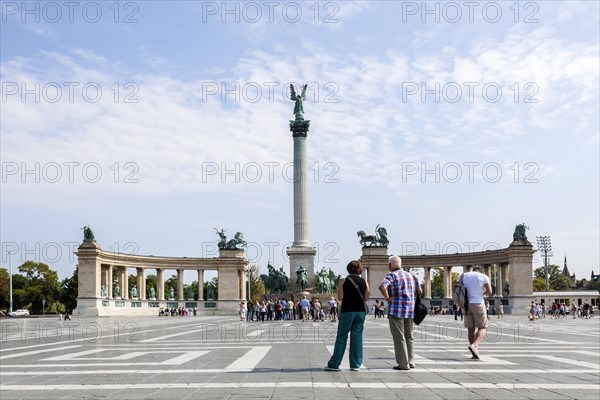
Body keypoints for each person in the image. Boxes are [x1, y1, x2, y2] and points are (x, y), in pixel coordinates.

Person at [325, 260, 369, 371]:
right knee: (357, 337)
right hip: (360, 312)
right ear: (360, 269)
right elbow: (366, 297)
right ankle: (355, 364)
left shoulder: (343, 280)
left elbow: (340, 297)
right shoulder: (365, 281)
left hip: (347, 311)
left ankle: (334, 364)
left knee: (342, 336)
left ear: (348, 269)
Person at [379, 255, 420, 370]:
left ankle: (403, 364)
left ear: (390, 265)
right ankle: (411, 361)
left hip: (396, 310)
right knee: (409, 337)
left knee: (399, 337)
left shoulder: (391, 275)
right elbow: (420, 290)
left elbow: (382, 286)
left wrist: (388, 298)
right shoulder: (411, 276)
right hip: (410, 310)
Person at [461, 266, 492, 360]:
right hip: (478, 303)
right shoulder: (484, 276)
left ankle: (474, 352)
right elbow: (489, 291)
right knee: (482, 327)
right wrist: (482, 293)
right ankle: (474, 345)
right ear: (480, 271)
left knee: (471, 329)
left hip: (466, 304)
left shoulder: (464, 275)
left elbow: (458, 288)